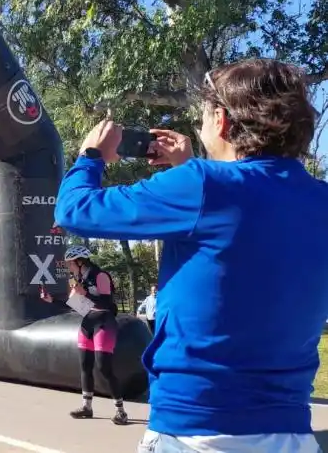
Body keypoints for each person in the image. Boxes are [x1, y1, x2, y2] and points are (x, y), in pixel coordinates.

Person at [53, 58, 328, 452]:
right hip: (290, 432)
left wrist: (91, 156)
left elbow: (74, 209)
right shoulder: (320, 201)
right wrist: (190, 167)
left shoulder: (202, 185)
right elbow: (249, 211)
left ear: (221, 120)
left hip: (195, 429)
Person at [41, 245, 128, 425]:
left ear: (79, 262)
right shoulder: (81, 277)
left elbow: (106, 301)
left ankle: (121, 411)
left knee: (104, 367)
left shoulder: (100, 276)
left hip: (103, 321)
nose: (68, 267)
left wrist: (85, 292)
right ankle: (86, 407)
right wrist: (52, 300)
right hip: (88, 322)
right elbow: (75, 304)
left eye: (70, 264)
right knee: (85, 366)